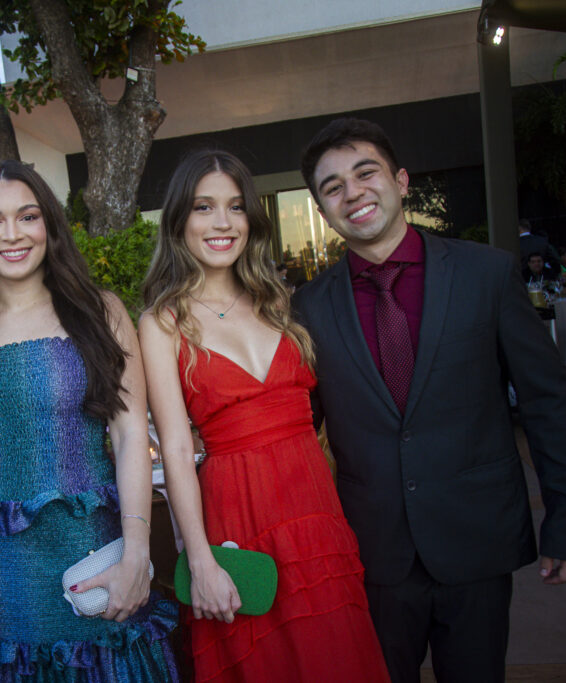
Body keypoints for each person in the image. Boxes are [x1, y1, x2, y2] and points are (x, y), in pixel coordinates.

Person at [293, 118, 566, 683]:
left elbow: (547, 403)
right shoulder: (306, 307)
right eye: (333, 187)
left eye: (366, 173)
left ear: (401, 181)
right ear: (323, 209)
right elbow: (296, 428)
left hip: (476, 536)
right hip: (371, 550)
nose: (352, 192)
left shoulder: (486, 273)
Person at [138, 149, 389, 682]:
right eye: (204, 207)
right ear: (179, 219)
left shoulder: (279, 302)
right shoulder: (163, 322)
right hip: (238, 515)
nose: (223, 222)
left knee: (336, 658)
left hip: (315, 512)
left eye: (235, 207)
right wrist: (200, 560)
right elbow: (176, 449)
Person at [0, 160, 179, 681]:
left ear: (49, 223)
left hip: (92, 546)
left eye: (27, 216)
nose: (12, 234)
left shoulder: (100, 311)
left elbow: (130, 434)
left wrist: (137, 552)